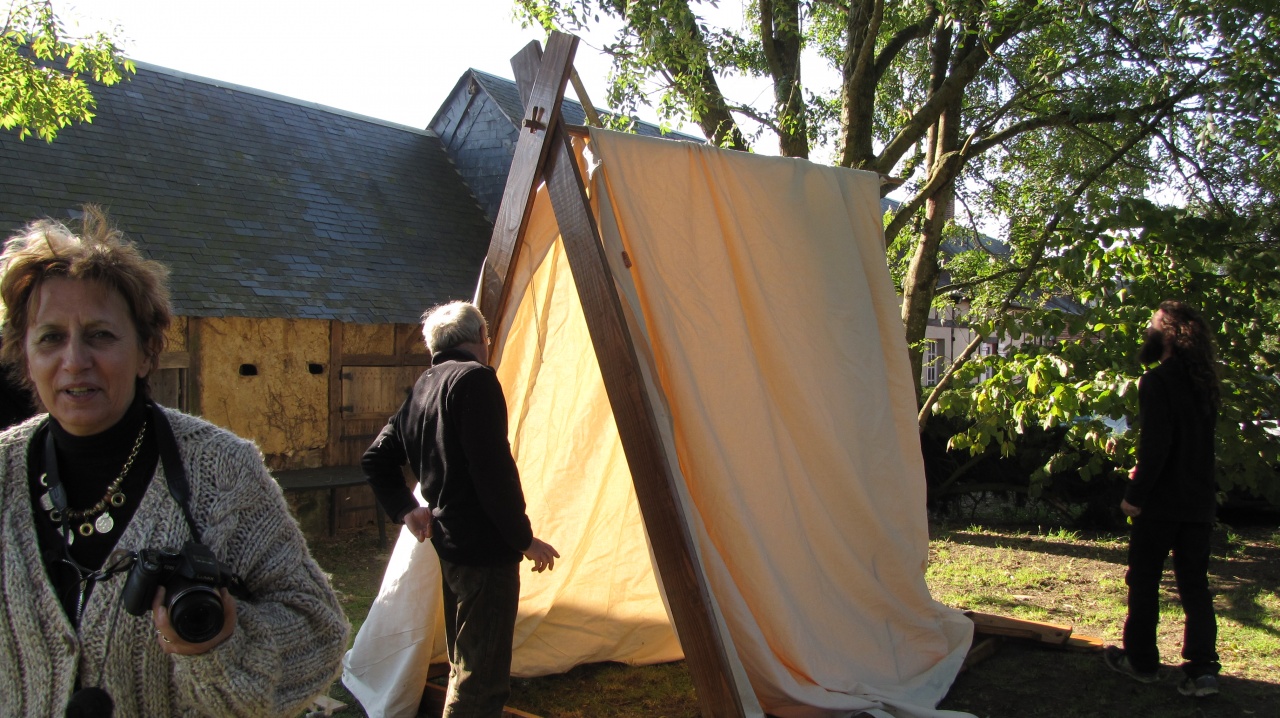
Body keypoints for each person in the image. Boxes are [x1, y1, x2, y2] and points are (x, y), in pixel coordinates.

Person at [0, 207, 349, 716]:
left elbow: (319, 631)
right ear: (25, 358)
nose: (75, 360)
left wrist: (222, 645)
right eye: (50, 337)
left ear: (146, 352)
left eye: (100, 334)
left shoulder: (222, 473)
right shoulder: (5, 471)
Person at [363, 300, 559, 717]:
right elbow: (491, 472)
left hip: (450, 544)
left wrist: (406, 509)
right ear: (481, 339)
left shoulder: (425, 386)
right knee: (481, 679)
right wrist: (523, 539)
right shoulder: (474, 380)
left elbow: (375, 458)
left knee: (467, 660)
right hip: (483, 549)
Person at [1104, 300, 1221, 698]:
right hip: (1199, 500)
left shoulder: (1156, 381)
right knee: (1194, 585)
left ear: (1168, 333)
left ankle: (1141, 662)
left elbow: (1157, 445)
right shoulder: (1206, 381)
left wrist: (1134, 495)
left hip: (1162, 502)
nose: (1148, 329)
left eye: (1153, 323)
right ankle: (1203, 671)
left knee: (1144, 580)